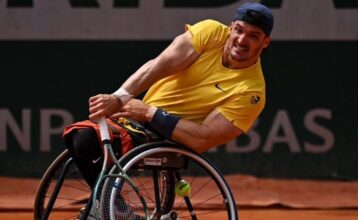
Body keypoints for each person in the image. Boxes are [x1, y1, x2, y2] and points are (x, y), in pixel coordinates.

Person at [63, 2, 274, 190]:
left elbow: (203, 138)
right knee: (78, 137)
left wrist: (149, 113)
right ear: (230, 28)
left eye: (253, 36)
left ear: (265, 43)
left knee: (85, 139)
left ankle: (115, 208)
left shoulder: (251, 91)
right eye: (239, 30)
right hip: (137, 121)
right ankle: (108, 204)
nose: (242, 40)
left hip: (167, 138)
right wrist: (120, 98)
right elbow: (160, 64)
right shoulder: (210, 33)